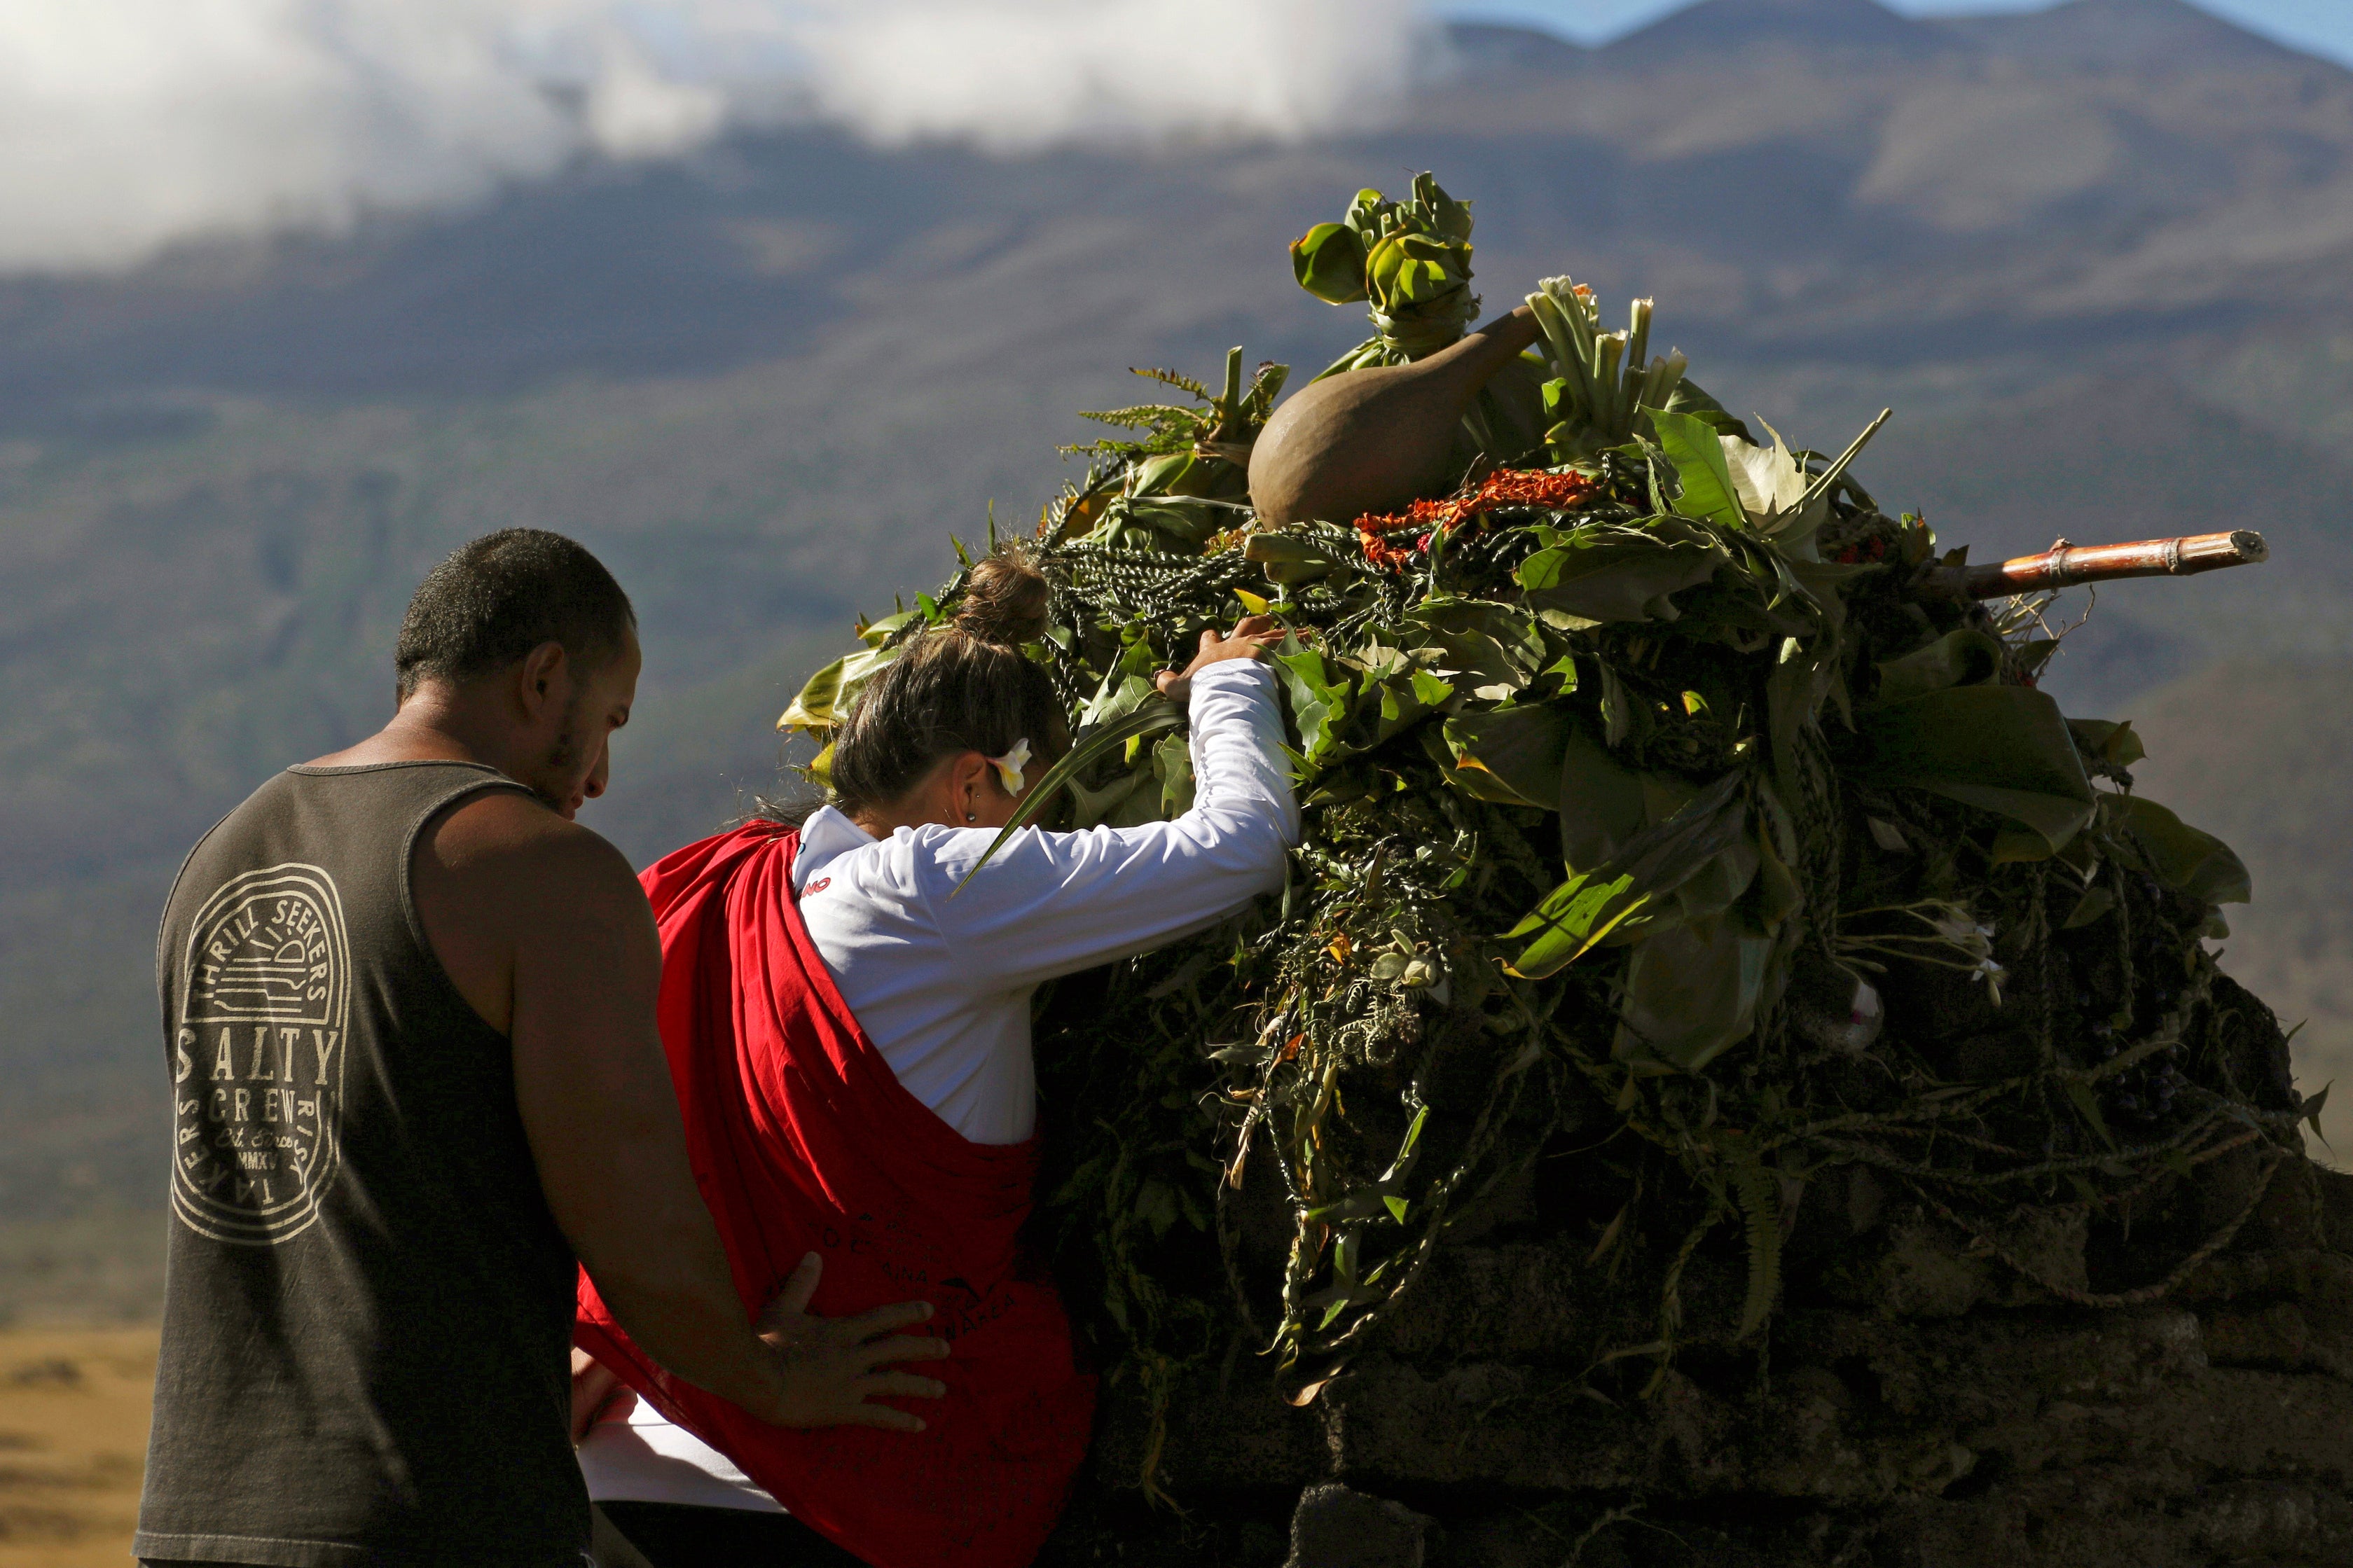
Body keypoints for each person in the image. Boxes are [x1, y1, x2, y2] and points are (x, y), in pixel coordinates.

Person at [137, 529, 948, 1568]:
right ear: (544, 677)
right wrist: (767, 1374)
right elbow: (627, 1199)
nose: (602, 775)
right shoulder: (543, 871)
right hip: (429, 1521)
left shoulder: (227, 851)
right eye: (607, 721)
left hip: (198, 1513)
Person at [572, 551, 1297, 1568]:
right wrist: (1228, 684)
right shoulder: (937, 883)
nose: (1037, 840)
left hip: (629, 1462)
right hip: (830, 1492)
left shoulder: (714, 882)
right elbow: (1242, 843)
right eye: (1033, 804)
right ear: (969, 785)